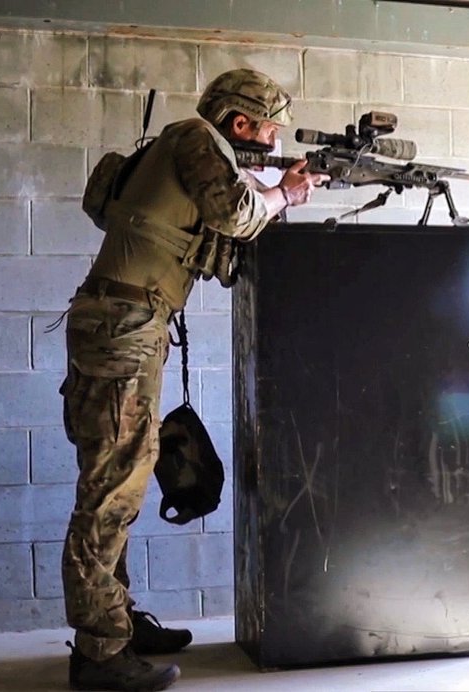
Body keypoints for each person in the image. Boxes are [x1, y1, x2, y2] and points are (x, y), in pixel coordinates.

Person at [60, 68, 328, 692]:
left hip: (122, 324)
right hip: (125, 328)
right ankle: (100, 653)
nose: (270, 139)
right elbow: (236, 216)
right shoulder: (197, 138)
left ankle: (116, 619)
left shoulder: (177, 146)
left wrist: (272, 191)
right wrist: (282, 193)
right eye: (268, 129)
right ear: (241, 124)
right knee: (110, 490)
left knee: (118, 481)